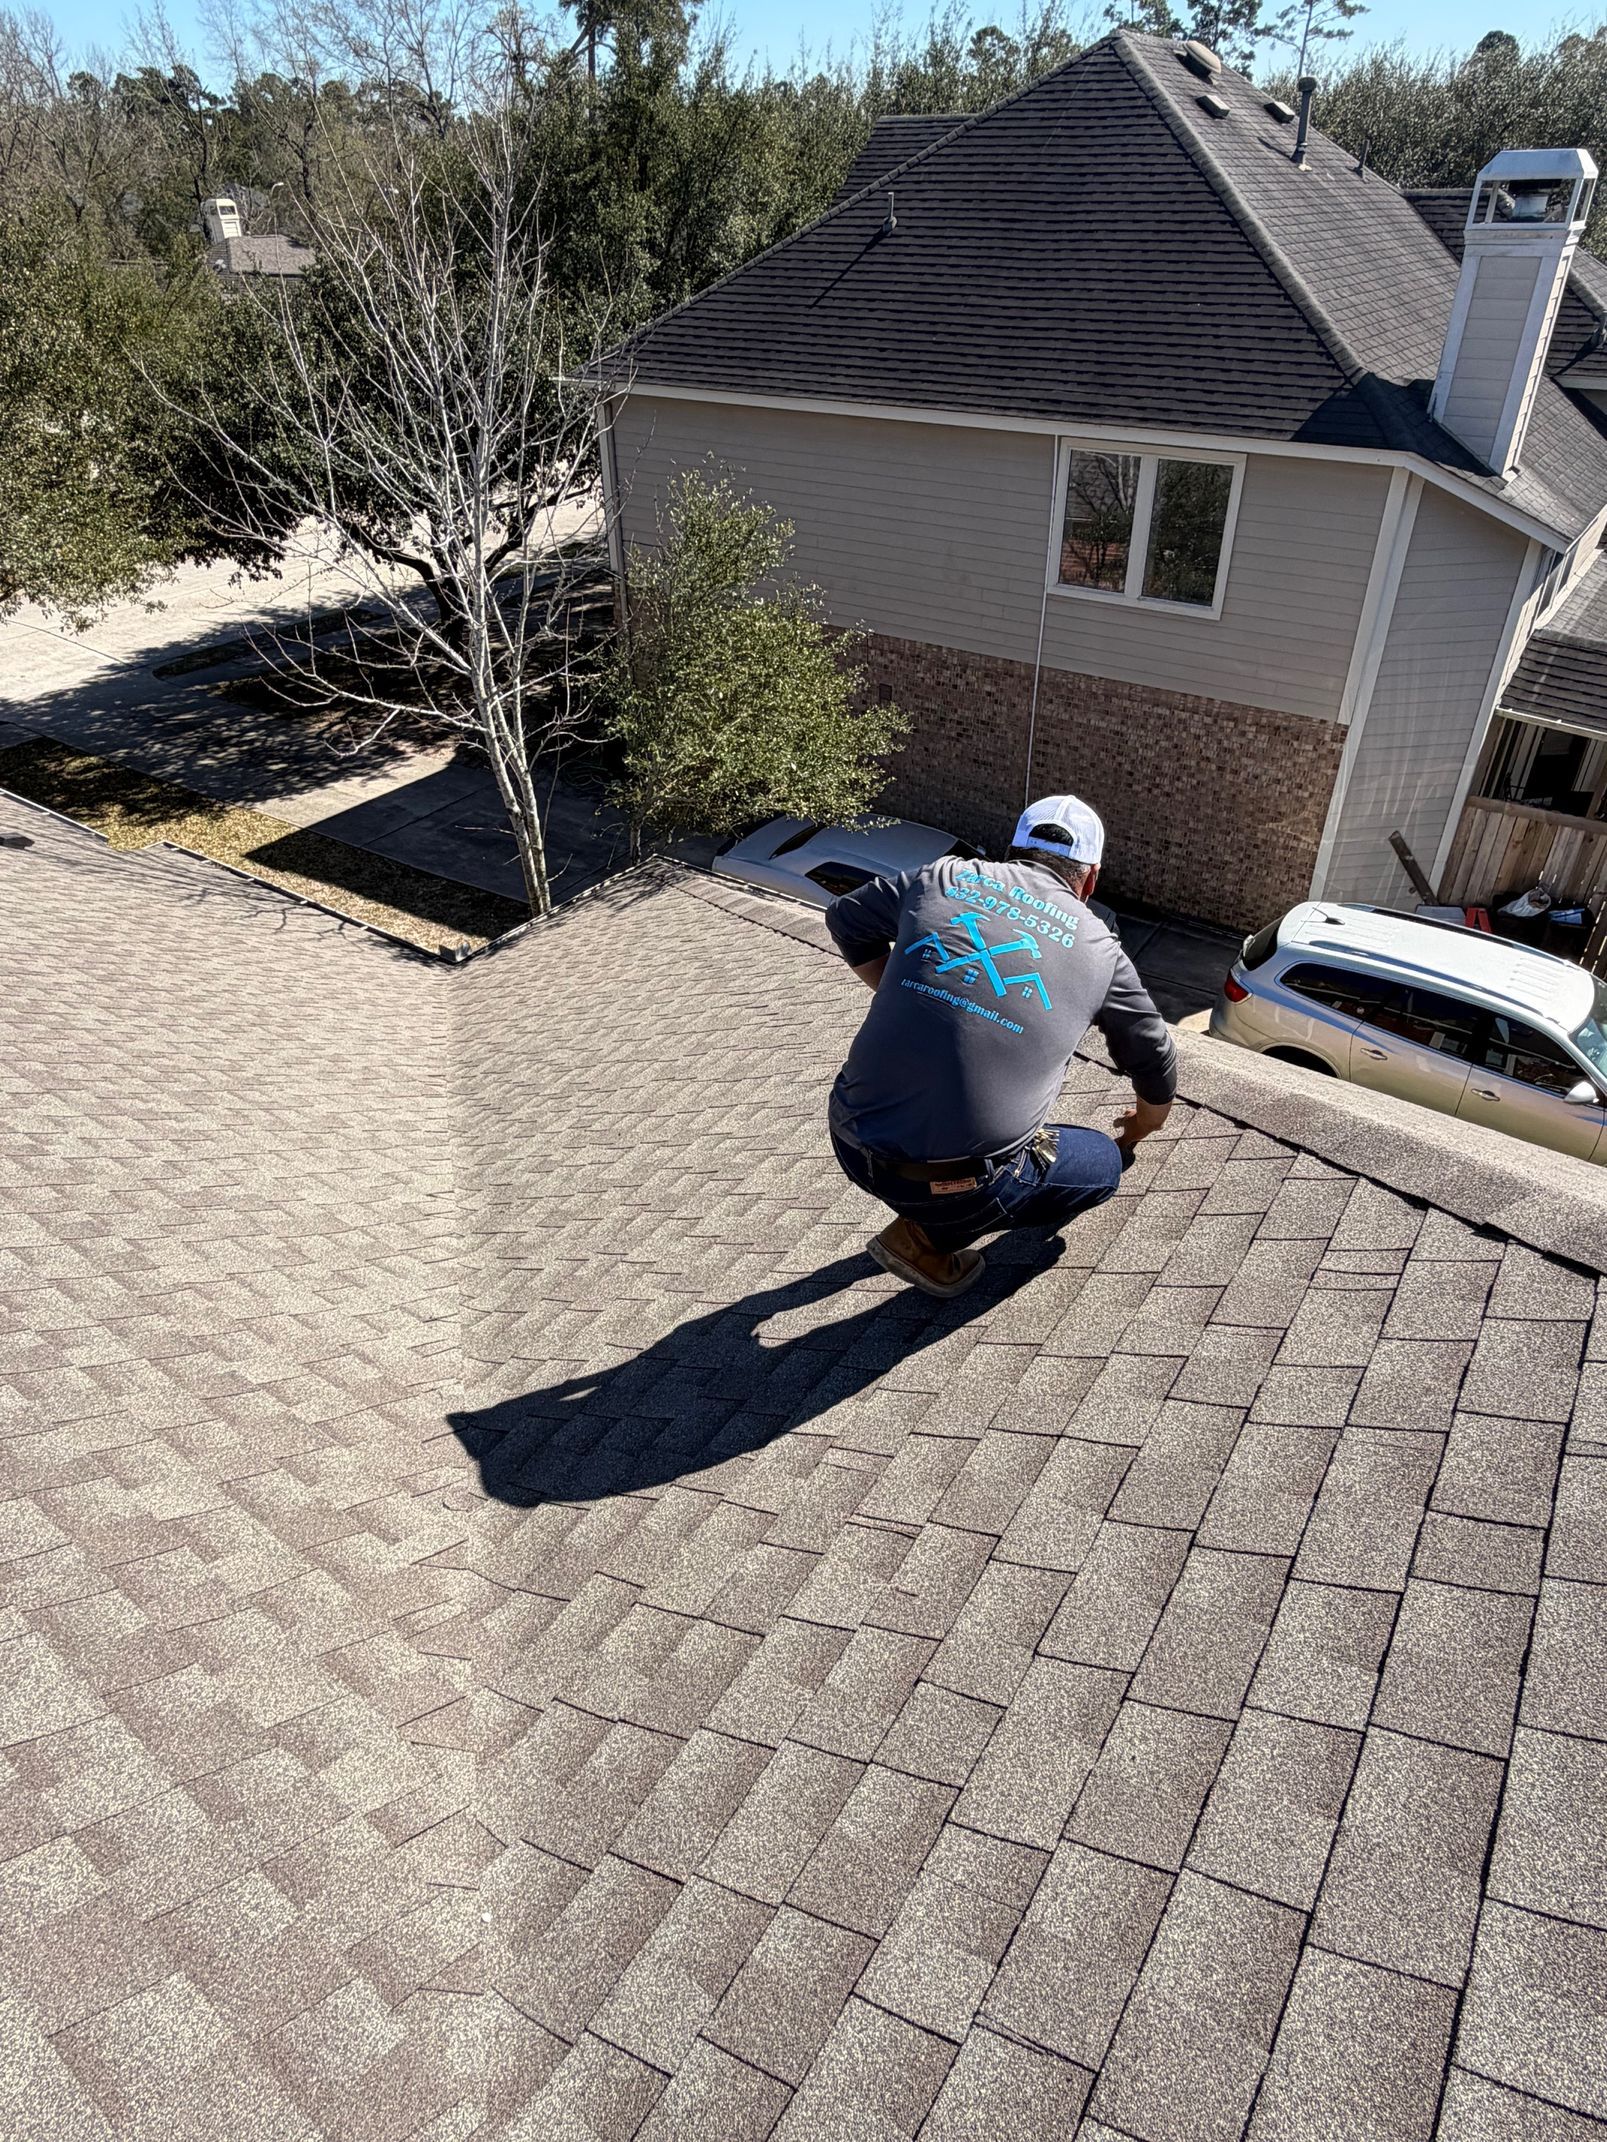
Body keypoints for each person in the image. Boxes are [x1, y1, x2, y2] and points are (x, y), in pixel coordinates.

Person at [824, 794, 1177, 1297]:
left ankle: (930, 1213)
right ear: (1091, 877)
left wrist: (907, 989)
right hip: (956, 1186)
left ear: (1013, 851)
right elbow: (1156, 1056)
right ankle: (927, 1237)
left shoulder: (941, 877)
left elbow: (845, 918)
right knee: (1102, 1162)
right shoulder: (1101, 950)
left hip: (849, 1138)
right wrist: (1141, 1126)